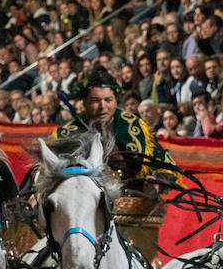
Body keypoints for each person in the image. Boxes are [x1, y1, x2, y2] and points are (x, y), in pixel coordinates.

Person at [55, 65, 177, 194]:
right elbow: (51, 171)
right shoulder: (68, 132)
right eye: (96, 101)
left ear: (115, 101)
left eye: (108, 100)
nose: (103, 106)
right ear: (84, 102)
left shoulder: (133, 126)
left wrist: (159, 181)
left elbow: (164, 163)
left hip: (130, 201)